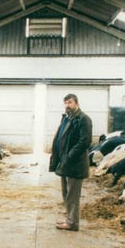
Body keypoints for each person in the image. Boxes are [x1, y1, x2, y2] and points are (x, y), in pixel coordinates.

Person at [48, 93, 92, 231]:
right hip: (65, 162)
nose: (67, 105)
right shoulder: (67, 118)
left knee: (73, 195)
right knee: (66, 193)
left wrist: (69, 156)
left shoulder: (84, 119)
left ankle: (73, 224)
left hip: (75, 164)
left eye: (70, 102)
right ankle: (70, 219)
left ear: (77, 103)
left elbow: (84, 142)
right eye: (65, 103)